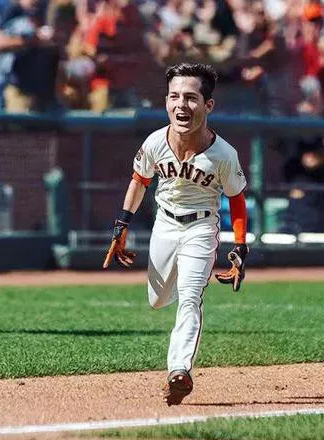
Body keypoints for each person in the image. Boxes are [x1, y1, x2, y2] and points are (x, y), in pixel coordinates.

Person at [103, 62, 249, 404]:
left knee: (190, 297)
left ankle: (179, 371)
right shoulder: (155, 142)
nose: (181, 104)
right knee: (156, 300)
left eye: (191, 97)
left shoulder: (224, 154)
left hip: (201, 227)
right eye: (174, 96)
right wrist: (121, 224)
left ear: (208, 105)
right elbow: (139, 181)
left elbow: (237, 200)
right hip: (164, 226)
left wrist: (240, 247)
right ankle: (177, 287)